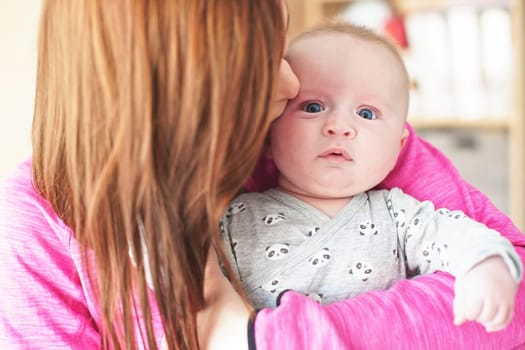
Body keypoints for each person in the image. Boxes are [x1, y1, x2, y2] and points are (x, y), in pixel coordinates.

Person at [0, 1, 523, 350]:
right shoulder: (41, 221)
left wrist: (253, 335)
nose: (292, 83)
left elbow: (512, 298)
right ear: (178, 86)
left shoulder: (350, 146)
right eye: (258, 60)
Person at [220, 23, 522, 332]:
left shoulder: (399, 215)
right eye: (313, 107)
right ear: (266, 138)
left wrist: (486, 266)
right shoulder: (231, 219)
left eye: (366, 113)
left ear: (397, 149)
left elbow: (458, 236)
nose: (339, 126)